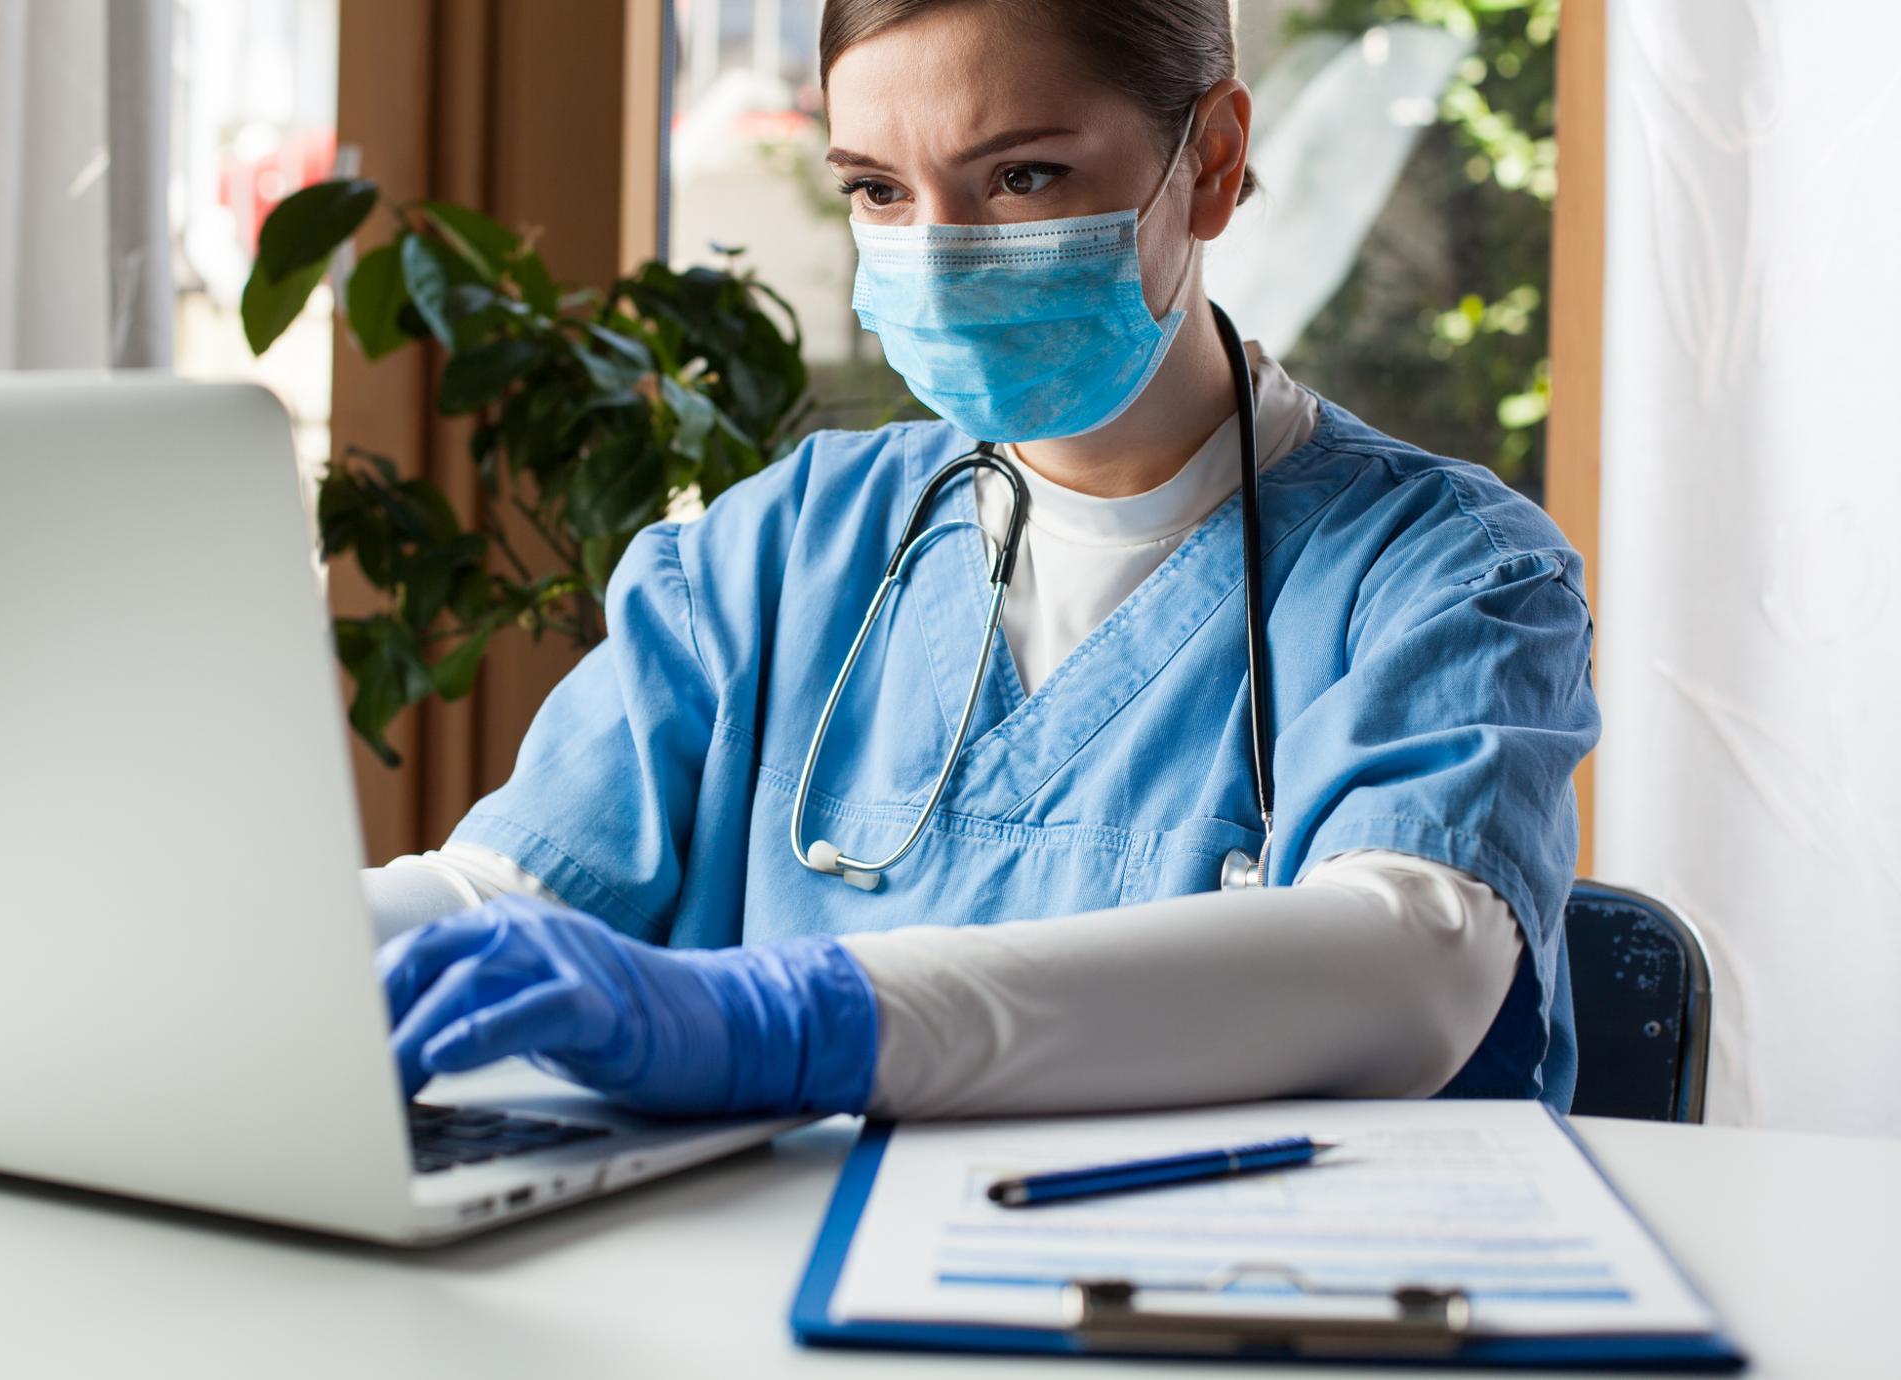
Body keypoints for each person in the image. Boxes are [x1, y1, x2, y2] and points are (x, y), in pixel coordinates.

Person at [368, 0, 1599, 1123]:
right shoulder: (780, 550)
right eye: (877, 192)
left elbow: (1406, 964)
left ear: (1211, 165)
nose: (940, 257)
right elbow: (500, 897)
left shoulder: (1445, 576)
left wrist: (796, 1023)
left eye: (1021, 175)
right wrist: (270, 961)